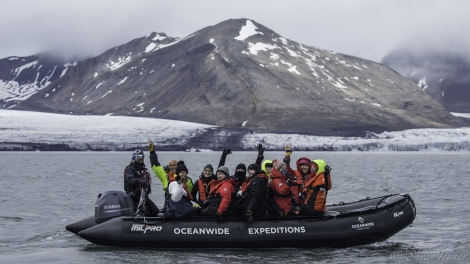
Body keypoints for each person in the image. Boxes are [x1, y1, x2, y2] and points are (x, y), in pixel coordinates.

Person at [123, 149, 159, 216]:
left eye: (142, 156)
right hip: (133, 198)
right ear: (134, 157)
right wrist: (139, 181)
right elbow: (129, 180)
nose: (141, 158)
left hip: (143, 197)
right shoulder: (130, 169)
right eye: (138, 156)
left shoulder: (143, 170)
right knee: (145, 213)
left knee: (155, 211)